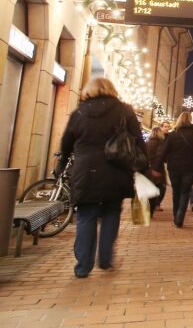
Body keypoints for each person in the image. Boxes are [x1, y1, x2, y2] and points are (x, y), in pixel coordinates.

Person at [58, 77, 144, 278]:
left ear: (88, 91)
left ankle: (82, 266)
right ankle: (105, 260)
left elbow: (66, 143)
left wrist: (62, 165)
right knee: (111, 214)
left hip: (85, 171)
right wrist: (142, 167)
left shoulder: (79, 113)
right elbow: (138, 141)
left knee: (86, 217)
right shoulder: (125, 111)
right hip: (117, 170)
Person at [161, 112, 193, 227]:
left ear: (179, 120)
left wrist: (162, 162)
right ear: (190, 120)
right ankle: (180, 217)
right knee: (185, 192)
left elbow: (164, 151)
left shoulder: (172, 135)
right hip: (190, 168)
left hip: (174, 168)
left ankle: (176, 215)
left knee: (176, 191)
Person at [145, 125, 167, 214]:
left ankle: (149, 208)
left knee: (149, 188)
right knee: (160, 188)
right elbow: (160, 156)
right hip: (157, 168)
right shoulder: (161, 143)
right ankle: (153, 207)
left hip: (147, 168)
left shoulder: (147, 142)